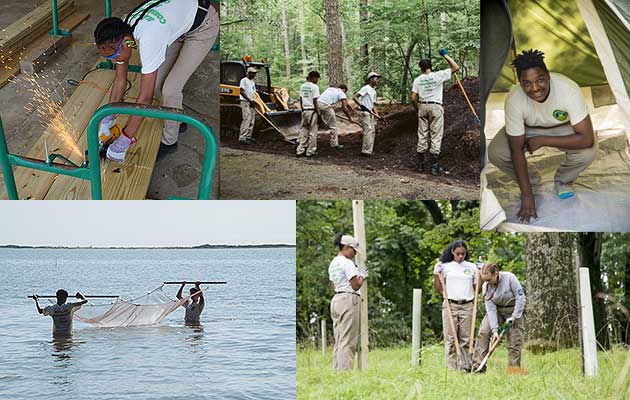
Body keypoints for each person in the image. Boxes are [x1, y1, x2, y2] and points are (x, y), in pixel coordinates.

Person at [94, 0, 220, 162]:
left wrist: (124, 139)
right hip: (178, 23)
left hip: (203, 25)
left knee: (170, 90)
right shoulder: (121, 33)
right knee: (157, 85)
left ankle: (170, 141)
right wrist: (107, 118)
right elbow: (120, 80)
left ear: (126, 42)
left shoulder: (148, 38)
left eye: (113, 56)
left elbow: (145, 98)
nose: (112, 60)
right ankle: (177, 119)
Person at [487, 49, 598, 223]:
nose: (535, 88)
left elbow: (586, 138)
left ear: (548, 76)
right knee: (496, 152)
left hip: (563, 127)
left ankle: (563, 180)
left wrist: (542, 141)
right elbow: (516, 150)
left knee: (589, 150)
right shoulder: (514, 98)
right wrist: (527, 195)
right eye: (527, 83)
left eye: (540, 80)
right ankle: (531, 182)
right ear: (521, 83)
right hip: (528, 128)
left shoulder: (568, 89)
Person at [411, 49, 459, 174]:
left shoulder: (417, 80)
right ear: (430, 67)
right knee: (436, 135)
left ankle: (420, 165)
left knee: (422, 135)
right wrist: (445, 55)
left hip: (423, 106)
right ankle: (434, 167)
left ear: (421, 68)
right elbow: (455, 67)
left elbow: (413, 98)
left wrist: (418, 109)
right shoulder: (438, 75)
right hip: (435, 106)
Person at [433, 240, 479, 370]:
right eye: (458, 254)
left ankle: (465, 366)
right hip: (450, 304)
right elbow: (438, 288)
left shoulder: (471, 267)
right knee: (451, 339)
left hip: (467, 305)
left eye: (463, 254)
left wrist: (479, 274)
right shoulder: (446, 267)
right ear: (452, 252)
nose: (460, 257)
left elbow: (477, 289)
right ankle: (451, 368)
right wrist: (436, 273)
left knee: (466, 338)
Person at [473, 263, 526, 372]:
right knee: (483, 331)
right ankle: (478, 366)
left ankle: (513, 369)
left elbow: (521, 298)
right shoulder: (485, 286)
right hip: (497, 310)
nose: (487, 283)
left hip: (514, 310)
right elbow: (491, 309)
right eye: (485, 280)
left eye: (489, 279)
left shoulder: (510, 278)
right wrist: (495, 330)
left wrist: (514, 316)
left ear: (496, 273)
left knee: (514, 340)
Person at [328, 233, 367, 371]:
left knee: (339, 340)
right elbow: (355, 285)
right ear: (346, 247)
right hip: (348, 299)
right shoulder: (347, 263)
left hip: (336, 299)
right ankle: (345, 374)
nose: (355, 253)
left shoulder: (333, 263)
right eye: (353, 250)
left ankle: (337, 371)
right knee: (348, 341)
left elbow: (333, 285)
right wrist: (362, 275)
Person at [353, 72, 384, 156]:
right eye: (376, 78)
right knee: (368, 130)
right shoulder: (366, 88)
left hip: (371, 113)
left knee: (372, 131)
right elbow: (354, 97)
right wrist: (361, 106)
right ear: (371, 79)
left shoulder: (374, 91)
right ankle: (365, 151)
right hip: (365, 112)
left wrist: (377, 115)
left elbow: (372, 105)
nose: (377, 80)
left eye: (377, 78)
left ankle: (369, 150)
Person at [317, 84, 355, 149]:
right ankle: (334, 144)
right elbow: (344, 107)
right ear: (344, 90)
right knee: (333, 126)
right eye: (345, 92)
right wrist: (350, 118)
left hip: (317, 104)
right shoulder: (341, 93)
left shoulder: (330, 89)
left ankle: (306, 141)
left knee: (314, 124)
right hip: (326, 106)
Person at [296, 71, 321, 157]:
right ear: (313, 77)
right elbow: (315, 101)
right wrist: (319, 113)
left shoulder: (302, 86)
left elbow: (301, 98)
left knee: (304, 130)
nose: (317, 80)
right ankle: (310, 151)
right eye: (317, 78)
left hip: (304, 110)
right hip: (312, 111)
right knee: (313, 132)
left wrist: (302, 110)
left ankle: (300, 150)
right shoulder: (315, 87)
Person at [238, 67, 258, 145]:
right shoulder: (244, 80)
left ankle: (248, 136)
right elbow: (242, 91)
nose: (254, 75)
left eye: (255, 73)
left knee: (252, 120)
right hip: (245, 101)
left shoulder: (252, 82)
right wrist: (249, 100)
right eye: (253, 73)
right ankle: (242, 137)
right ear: (249, 73)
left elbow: (254, 92)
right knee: (246, 119)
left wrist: (254, 101)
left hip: (252, 102)